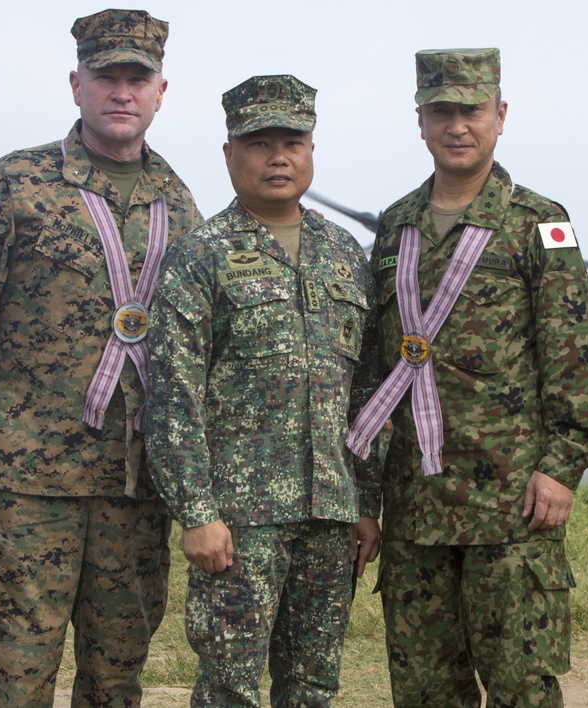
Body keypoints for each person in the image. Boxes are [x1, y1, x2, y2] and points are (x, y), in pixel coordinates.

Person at [0, 9, 203, 705]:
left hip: (134, 486)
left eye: (138, 78)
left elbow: (192, 345)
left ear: (163, 92)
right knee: (13, 677)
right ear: (78, 84)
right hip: (26, 483)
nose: (122, 92)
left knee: (116, 681)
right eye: (107, 77)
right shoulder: (16, 184)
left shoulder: (181, 205)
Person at [344, 48, 588, 706]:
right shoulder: (395, 227)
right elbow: (378, 376)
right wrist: (365, 501)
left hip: (511, 510)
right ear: (420, 120)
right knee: (425, 692)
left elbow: (577, 361)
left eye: (471, 110)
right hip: (415, 516)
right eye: (442, 112)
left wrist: (561, 466)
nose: (457, 125)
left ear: (500, 115)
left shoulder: (538, 225)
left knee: (523, 689)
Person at [145, 74, 381, 707]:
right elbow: (172, 396)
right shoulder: (200, 256)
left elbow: (369, 393)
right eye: (259, 143)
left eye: (293, 142)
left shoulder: (344, 255)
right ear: (229, 155)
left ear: (310, 151)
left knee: (313, 687)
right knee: (231, 688)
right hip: (239, 519)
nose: (278, 157)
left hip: (330, 512)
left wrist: (367, 502)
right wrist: (197, 513)